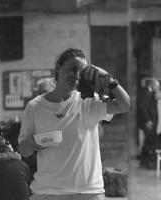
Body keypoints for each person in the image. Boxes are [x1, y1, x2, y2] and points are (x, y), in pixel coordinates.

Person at [18, 48, 130, 200]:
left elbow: (124, 104)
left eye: (82, 71)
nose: (77, 75)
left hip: (88, 191)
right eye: (72, 69)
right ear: (58, 68)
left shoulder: (89, 101)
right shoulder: (35, 107)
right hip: (48, 192)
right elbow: (24, 151)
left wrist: (108, 79)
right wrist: (34, 142)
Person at [137, 78, 160, 168]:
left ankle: (145, 162)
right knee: (150, 142)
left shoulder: (150, 92)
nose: (157, 87)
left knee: (148, 142)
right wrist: (148, 120)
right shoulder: (147, 92)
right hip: (148, 123)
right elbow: (142, 107)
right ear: (152, 85)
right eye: (156, 85)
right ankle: (147, 162)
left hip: (150, 122)